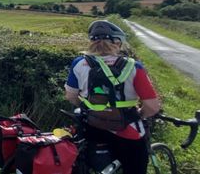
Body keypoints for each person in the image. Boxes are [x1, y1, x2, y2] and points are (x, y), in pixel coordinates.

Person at [64, 20, 161, 174]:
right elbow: (152, 106)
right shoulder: (134, 67)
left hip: (92, 126)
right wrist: (138, 115)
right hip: (127, 130)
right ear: (118, 43)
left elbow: (71, 96)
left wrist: (90, 107)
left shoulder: (79, 63)